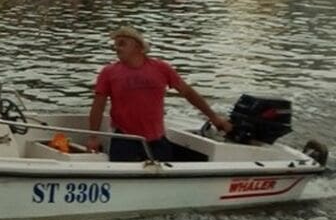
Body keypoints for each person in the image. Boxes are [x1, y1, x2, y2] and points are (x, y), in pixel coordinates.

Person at [87, 27, 232, 162]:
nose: (117, 48)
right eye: (115, 45)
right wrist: (93, 137)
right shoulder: (108, 72)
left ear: (138, 47)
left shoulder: (161, 68)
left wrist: (214, 118)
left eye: (122, 44)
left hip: (157, 139)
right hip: (125, 139)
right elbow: (98, 106)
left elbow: (188, 93)